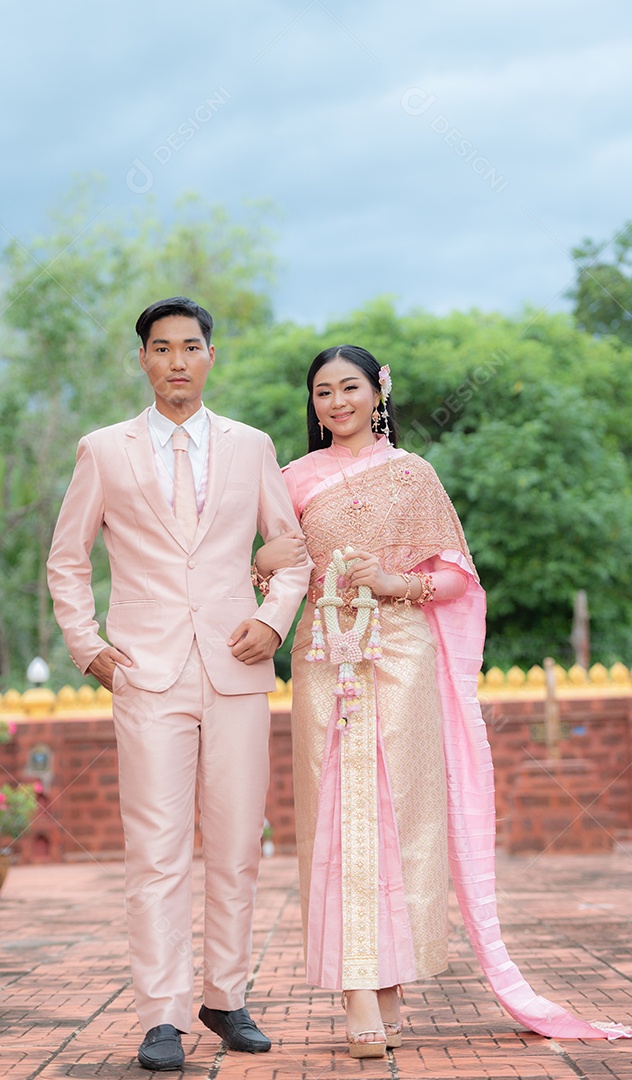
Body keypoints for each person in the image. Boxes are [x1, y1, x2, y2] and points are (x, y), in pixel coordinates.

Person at [255, 344, 632, 1058]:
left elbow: (457, 578)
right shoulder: (291, 478)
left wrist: (399, 585)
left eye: (350, 388)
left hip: (402, 657)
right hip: (323, 658)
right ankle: (355, 985)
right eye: (323, 392)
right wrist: (280, 561)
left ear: (378, 392)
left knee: (402, 815)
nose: (336, 403)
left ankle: (388, 977)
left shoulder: (414, 475)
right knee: (333, 810)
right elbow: (271, 561)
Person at [47, 297, 311, 1071]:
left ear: (210, 356)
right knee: (156, 851)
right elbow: (68, 558)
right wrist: (85, 642)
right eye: (160, 349)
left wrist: (274, 619)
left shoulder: (252, 445)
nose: (176, 362)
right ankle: (161, 1015)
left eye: (190, 347)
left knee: (237, 846)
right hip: (145, 670)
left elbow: (289, 549)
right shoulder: (103, 449)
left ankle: (226, 999)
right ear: (143, 360)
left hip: (236, 664)